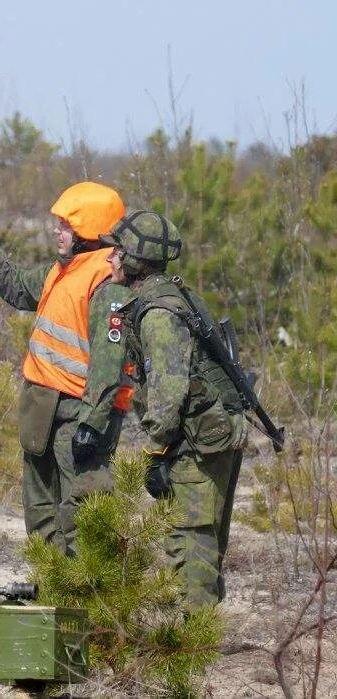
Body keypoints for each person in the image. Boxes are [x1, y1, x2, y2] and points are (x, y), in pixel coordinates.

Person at [0, 182, 131, 555]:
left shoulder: (107, 282)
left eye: (65, 225)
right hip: (42, 407)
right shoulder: (65, 269)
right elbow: (20, 288)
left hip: (79, 414)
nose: (57, 231)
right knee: (41, 511)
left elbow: (109, 366)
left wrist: (91, 424)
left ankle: (86, 602)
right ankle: (50, 592)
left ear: (90, 230)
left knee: (81, 512)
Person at [102, 210, 245, 608]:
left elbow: (167, 392)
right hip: (211, 431)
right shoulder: (173, 295)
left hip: (196, 439)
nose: (109, 258)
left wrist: (155, 452)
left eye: (117, 251)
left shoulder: (158, 313)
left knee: (192, 535)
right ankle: (204, 627)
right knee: (206, 535)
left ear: (134, 260)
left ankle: (198, 636)